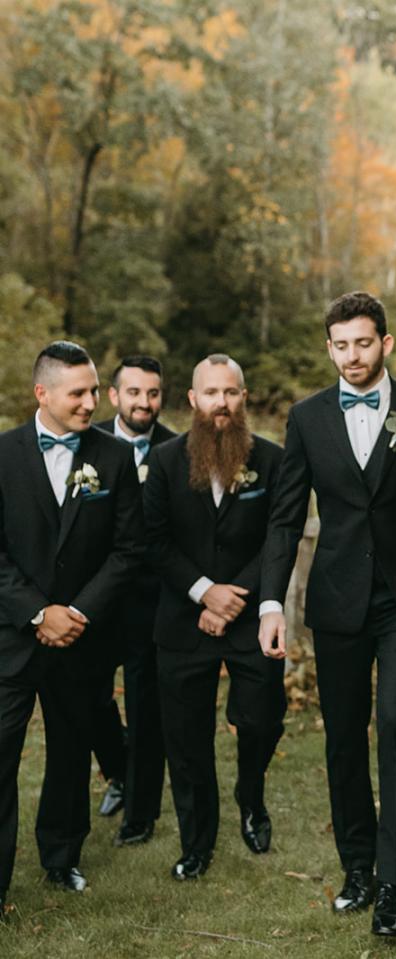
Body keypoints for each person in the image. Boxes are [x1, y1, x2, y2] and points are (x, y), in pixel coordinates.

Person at [258, 292, 396, 935]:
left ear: (386, 344)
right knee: (343, 737)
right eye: (340, 346)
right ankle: (358, 868)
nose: (351, 357)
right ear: (329, 348)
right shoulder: (306, 417)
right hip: (337, 599)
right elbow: (286, 517)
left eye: (363, 344)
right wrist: (270, 601)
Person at [0, 341, 144, 908]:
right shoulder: (4, 453)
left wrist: (77, 612)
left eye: (92, 391)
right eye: (78, 392)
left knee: (70, 750)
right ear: (43, 393)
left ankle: (62, 858)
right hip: (13, 634)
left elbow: (128, 550)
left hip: (82, 637)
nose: (91, 402)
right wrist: (38, 611)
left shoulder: (111, 457)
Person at [144, 355, 287, 880]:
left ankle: (251, 796)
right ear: (193, 400)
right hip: (183, 620)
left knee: (261, 718)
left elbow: (279, 534)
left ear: (243, 398)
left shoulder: (271, 460)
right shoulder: (163, 462)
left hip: (249, 618)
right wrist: (205, 594)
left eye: (230, 392)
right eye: (211, 393)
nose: (220, 403)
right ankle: (196, 841)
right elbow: (152, 541)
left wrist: (233, 598)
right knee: (186, 739)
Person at [91, 355, 175, 845]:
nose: (144, 402)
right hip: (99, 598)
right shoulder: (90, 444)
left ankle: (140, 814)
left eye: (153, 393)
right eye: (135, 393)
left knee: (147, 708)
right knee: (93, 699)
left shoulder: (176, 450)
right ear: (114, 396)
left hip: (153, 601)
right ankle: (118, 772)